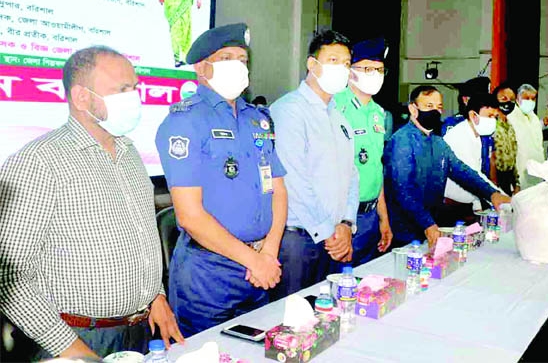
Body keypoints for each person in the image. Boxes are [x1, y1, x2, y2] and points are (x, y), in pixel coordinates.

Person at [0, 46, 183, 360]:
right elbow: (9, 276)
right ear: (81, 98)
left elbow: (141, 237)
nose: (135, 97)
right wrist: (73, 351)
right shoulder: (38, 162)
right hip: (74, 338)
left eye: (134, 88)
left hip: (138, 331)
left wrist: (156, 296)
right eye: (122, 90)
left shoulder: (130, 154)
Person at [155, 23, 287, 337]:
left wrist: (268, 253)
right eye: (227, 57)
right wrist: (254, 261)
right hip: (209, 275)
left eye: (242, 59)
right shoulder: (185, 121)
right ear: (202, 67)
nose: (238, 66)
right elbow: (189, 216)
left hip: (260, 265)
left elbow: (278, 190)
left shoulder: (258, 119)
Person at [269, 30, 359, 300]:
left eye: (346, 64)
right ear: (312, 64)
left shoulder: (340, 118)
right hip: (300, 241)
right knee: (292, 326)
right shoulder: (289, 111)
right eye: (333, 60)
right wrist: (327, 231)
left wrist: (345, 223)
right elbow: (293, 181)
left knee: (327, 321)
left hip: (334, 239)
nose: (341, 69)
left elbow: (351, 176)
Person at [384, 85, 511, 247]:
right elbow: (404, 189)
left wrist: (492, 194)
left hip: (430, 224)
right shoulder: (402, 141)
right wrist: (427, 223)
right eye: (429, 106)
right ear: (412, 109)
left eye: (439, 107)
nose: (435, 111)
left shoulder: (438, 142)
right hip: (405, 228)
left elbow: (462, 171)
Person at [333, 37, 393, 265]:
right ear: (350, 72)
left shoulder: (379, 113)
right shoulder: (336, 106)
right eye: (368, 68)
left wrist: (383, 218)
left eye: (379, 69)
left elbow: (376, 170)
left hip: (370, 216)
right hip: (343, 217)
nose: (375, 74)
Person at [442, 93, 503, 224]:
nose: (493, 121)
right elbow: (472, 175)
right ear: (473, 115)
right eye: (489, 116)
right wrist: (497, 195)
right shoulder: (459, 136)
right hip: (451, 207)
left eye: (495, 117)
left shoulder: (477, 135)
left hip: (467, 204)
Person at [507, 83, 545, 189]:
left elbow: (538, 145)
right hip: (519, 173)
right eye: (526, 98)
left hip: (537, 171)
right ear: (518, 99)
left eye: (533, 99)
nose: (530, 101)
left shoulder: (534, 118)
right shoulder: (510, 118)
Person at [492, 82, 520, 194]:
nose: (508, 102)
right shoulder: (491, 124)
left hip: (507, 181)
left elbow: (512, 158)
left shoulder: (510, 126)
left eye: (512, 99)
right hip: (494, 180)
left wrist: (516, 184)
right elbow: (490, 158)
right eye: (504, 98)